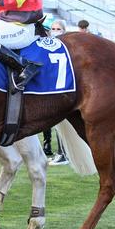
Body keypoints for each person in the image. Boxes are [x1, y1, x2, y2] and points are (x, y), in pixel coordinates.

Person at [47, 19, 71, 166]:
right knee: (58, 126)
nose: (55, 31)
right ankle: (61, 152)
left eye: (58, 29)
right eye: (53, 29)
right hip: (54, 90)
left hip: (63, 90)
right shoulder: (49, 45)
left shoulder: (66, 47)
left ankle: (64, 154)